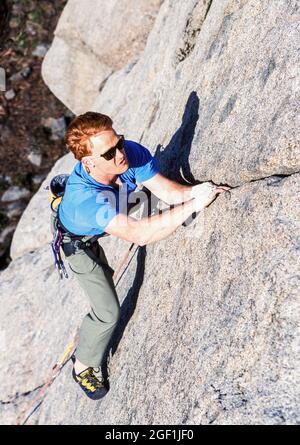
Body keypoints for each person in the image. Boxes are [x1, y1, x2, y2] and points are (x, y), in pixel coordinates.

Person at [57, 111, 230, 399]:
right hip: (78, 244)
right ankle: (82, 364)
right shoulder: (86, 202)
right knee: (108, 311)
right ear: (88, 162)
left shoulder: (129, 153)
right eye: (110, 152)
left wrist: (195, 191)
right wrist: (192, 207)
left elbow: (169, 192)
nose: (120, 154)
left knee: (137, 197)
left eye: (119, 142)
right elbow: (140, 235)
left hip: (108, 207)